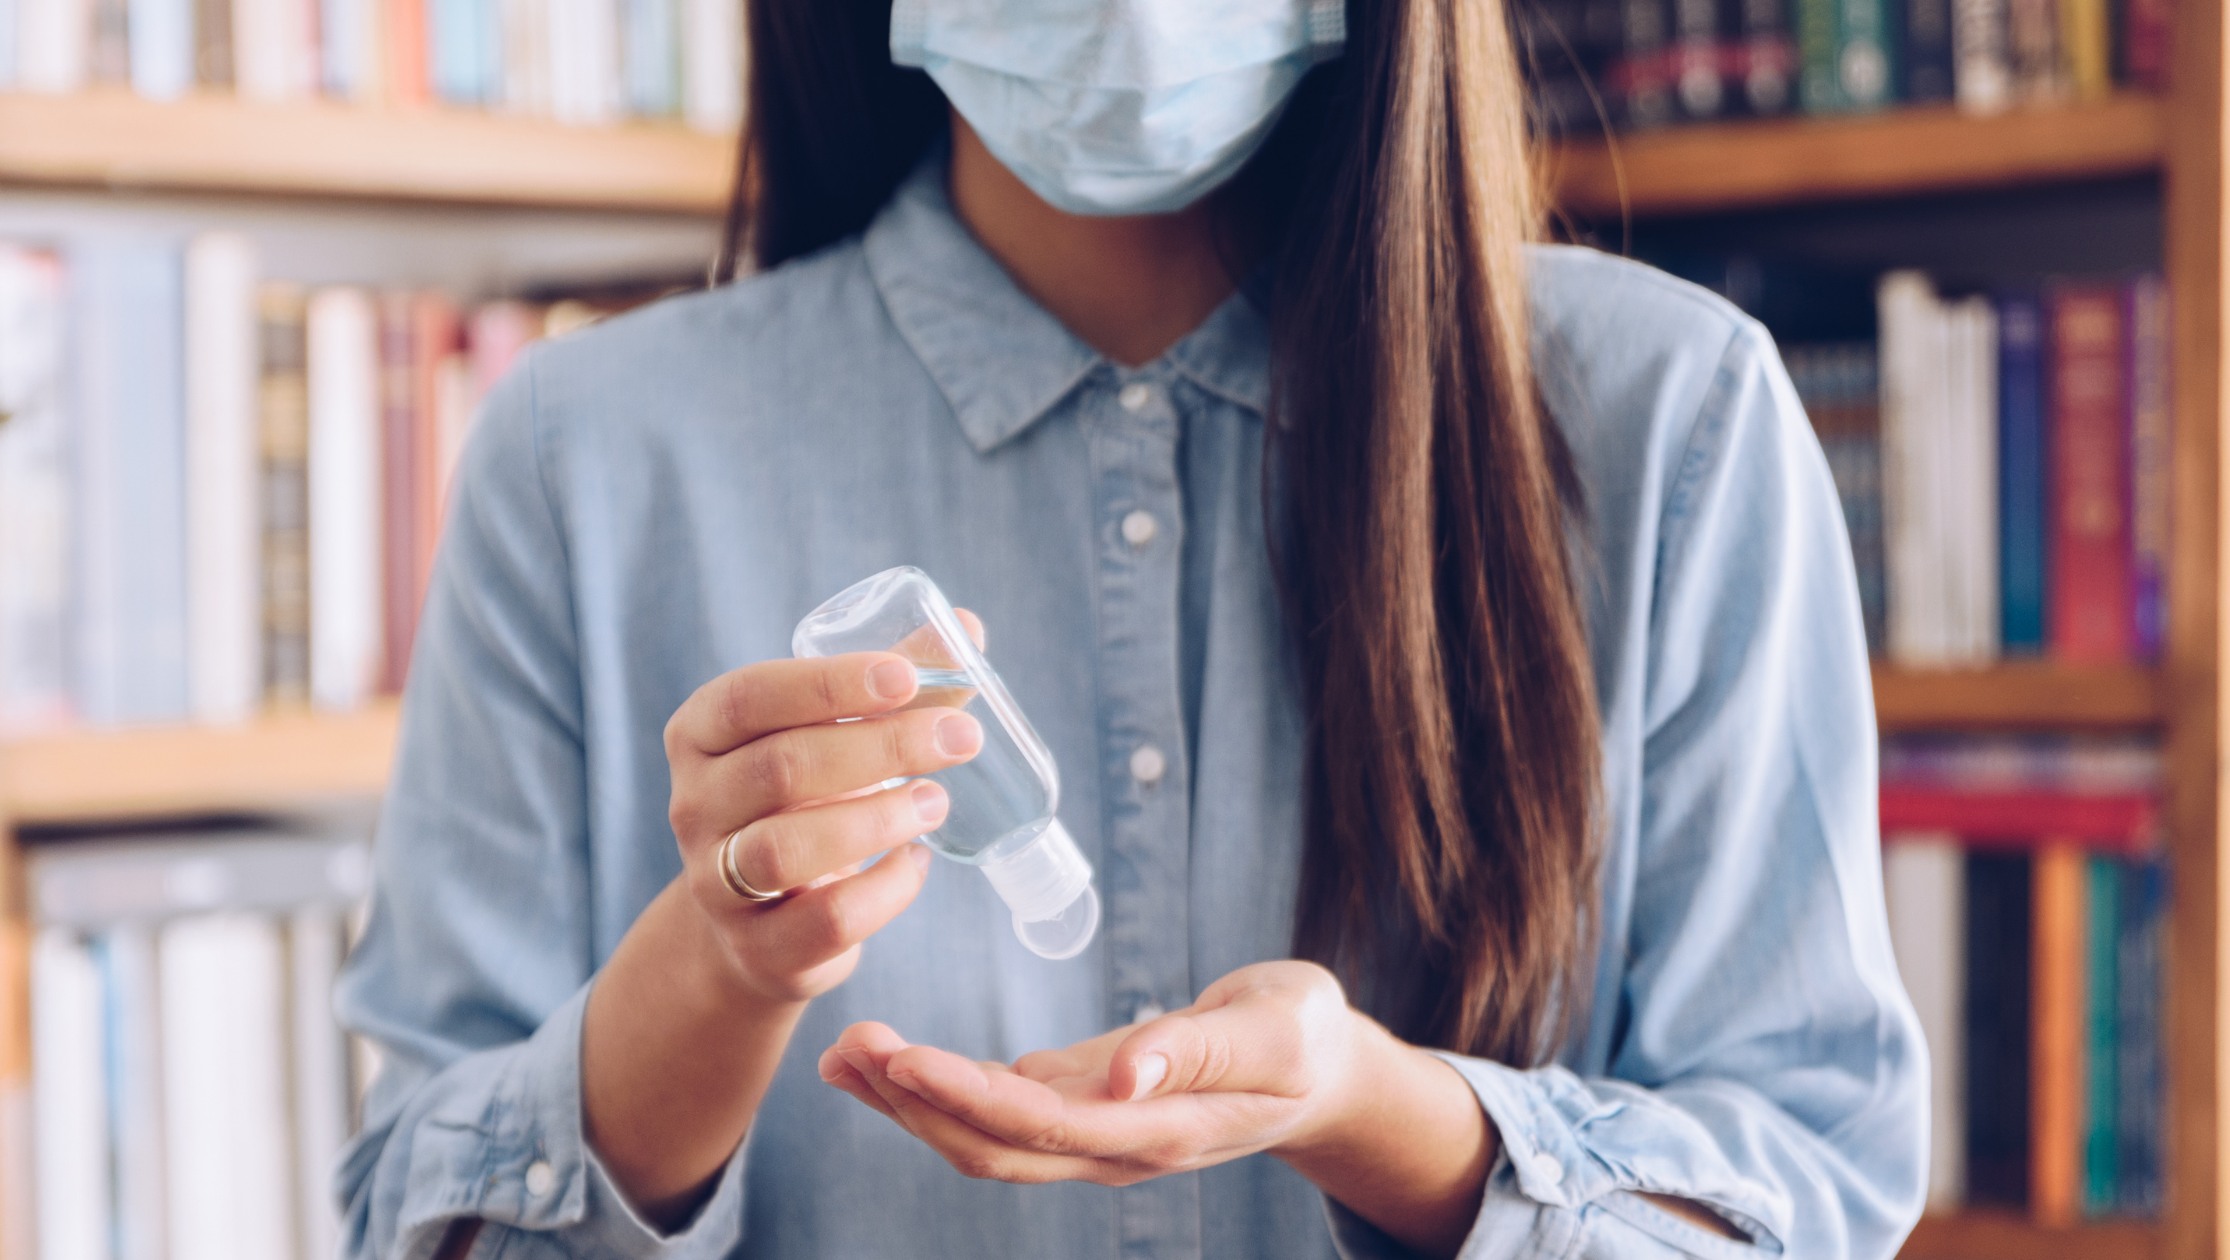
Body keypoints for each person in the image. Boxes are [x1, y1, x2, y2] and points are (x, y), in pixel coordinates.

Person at [334, 0, 1929, 1256]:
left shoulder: (1668, 420)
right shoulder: (586, 455)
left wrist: (1378, 1111)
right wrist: (719, 969)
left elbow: (1804, 1195)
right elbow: (418, 1220)